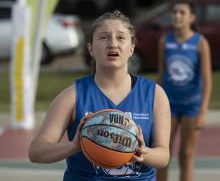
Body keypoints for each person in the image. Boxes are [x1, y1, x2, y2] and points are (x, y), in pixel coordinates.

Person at [28, 10, 171, 181]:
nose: (112, 44)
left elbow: (163, 156)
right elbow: (36, 151)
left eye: (120, 38)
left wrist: (142, 152)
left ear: (132, 48)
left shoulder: (154, 94)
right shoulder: (73, 96)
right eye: (103, 37)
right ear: (90, 49)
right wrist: (74, 146)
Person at [156, 0, 212, 181]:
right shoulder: (165, 41)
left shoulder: (200, 43)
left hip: (191, 107)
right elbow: (161, 75)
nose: (177, 15)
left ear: (191, 17)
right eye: (174, 12)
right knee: (162, 156)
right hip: (169, 106)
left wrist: (203, 111)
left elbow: (207, 79)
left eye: (182, 12)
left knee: (186, 156)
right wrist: (156, 106)